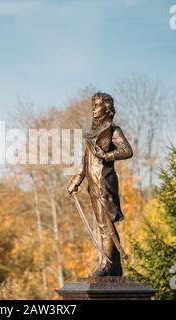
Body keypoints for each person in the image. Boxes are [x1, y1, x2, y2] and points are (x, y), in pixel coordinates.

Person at [67, 92, 133, 276]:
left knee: (106, 225)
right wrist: (76, 181)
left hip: (105, 181)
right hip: (92, 182)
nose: (93, 108)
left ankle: (106, 264)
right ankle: (115, 267)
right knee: (104, 225)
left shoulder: (113, 129)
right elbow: (85, 160)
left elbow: (127, 151)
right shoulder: (93, 131)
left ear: (107, 108)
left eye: (97, 105)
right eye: (93, 105)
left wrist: (107, 155)